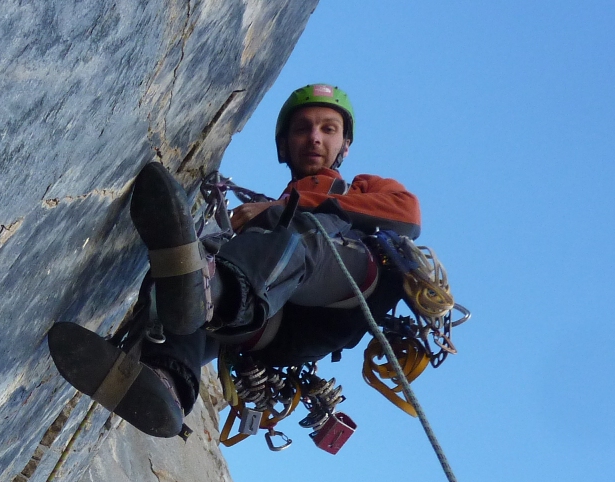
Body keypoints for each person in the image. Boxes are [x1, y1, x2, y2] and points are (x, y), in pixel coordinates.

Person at [49, 84, 422, 438]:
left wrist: (283, 209)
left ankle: (211, 292)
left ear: (344, 145)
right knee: (185, 275)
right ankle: (168, 385)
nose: (314, 138)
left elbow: (407, 214)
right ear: (284, 144)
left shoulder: (362, 188)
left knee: (294, 235)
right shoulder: (264, 221)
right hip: (275, 325)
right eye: (302, 129)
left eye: (329, 129)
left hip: (344, 288)